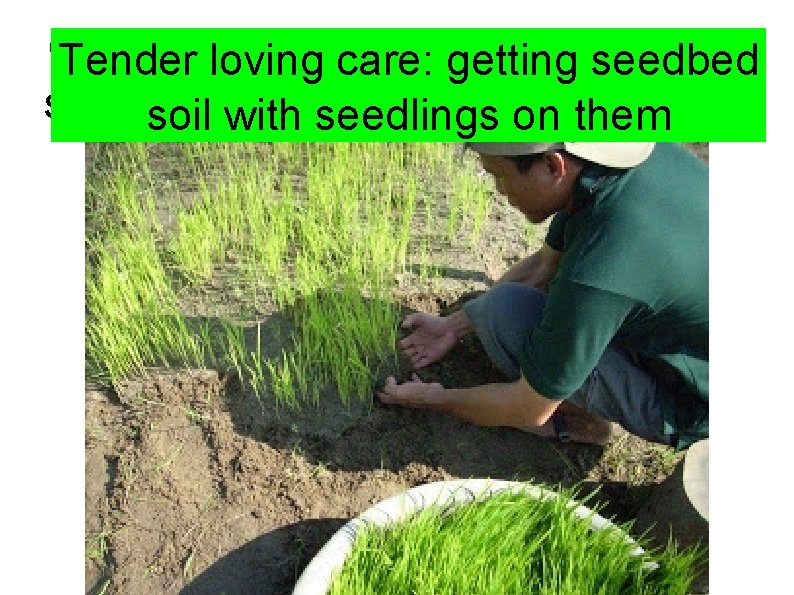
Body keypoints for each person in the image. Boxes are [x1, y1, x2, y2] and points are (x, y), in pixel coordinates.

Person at [377, 142, 708, 451]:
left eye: (500, 176)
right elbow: (543, 266)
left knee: (508, 319)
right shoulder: (622, 162)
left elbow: (528, 407)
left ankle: (585, 424)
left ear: (553, 165)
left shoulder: (601, 266)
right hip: (687, 336)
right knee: (497, 309)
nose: (500, 192)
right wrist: (454, 326)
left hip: (698, 403)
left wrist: (435, 398)